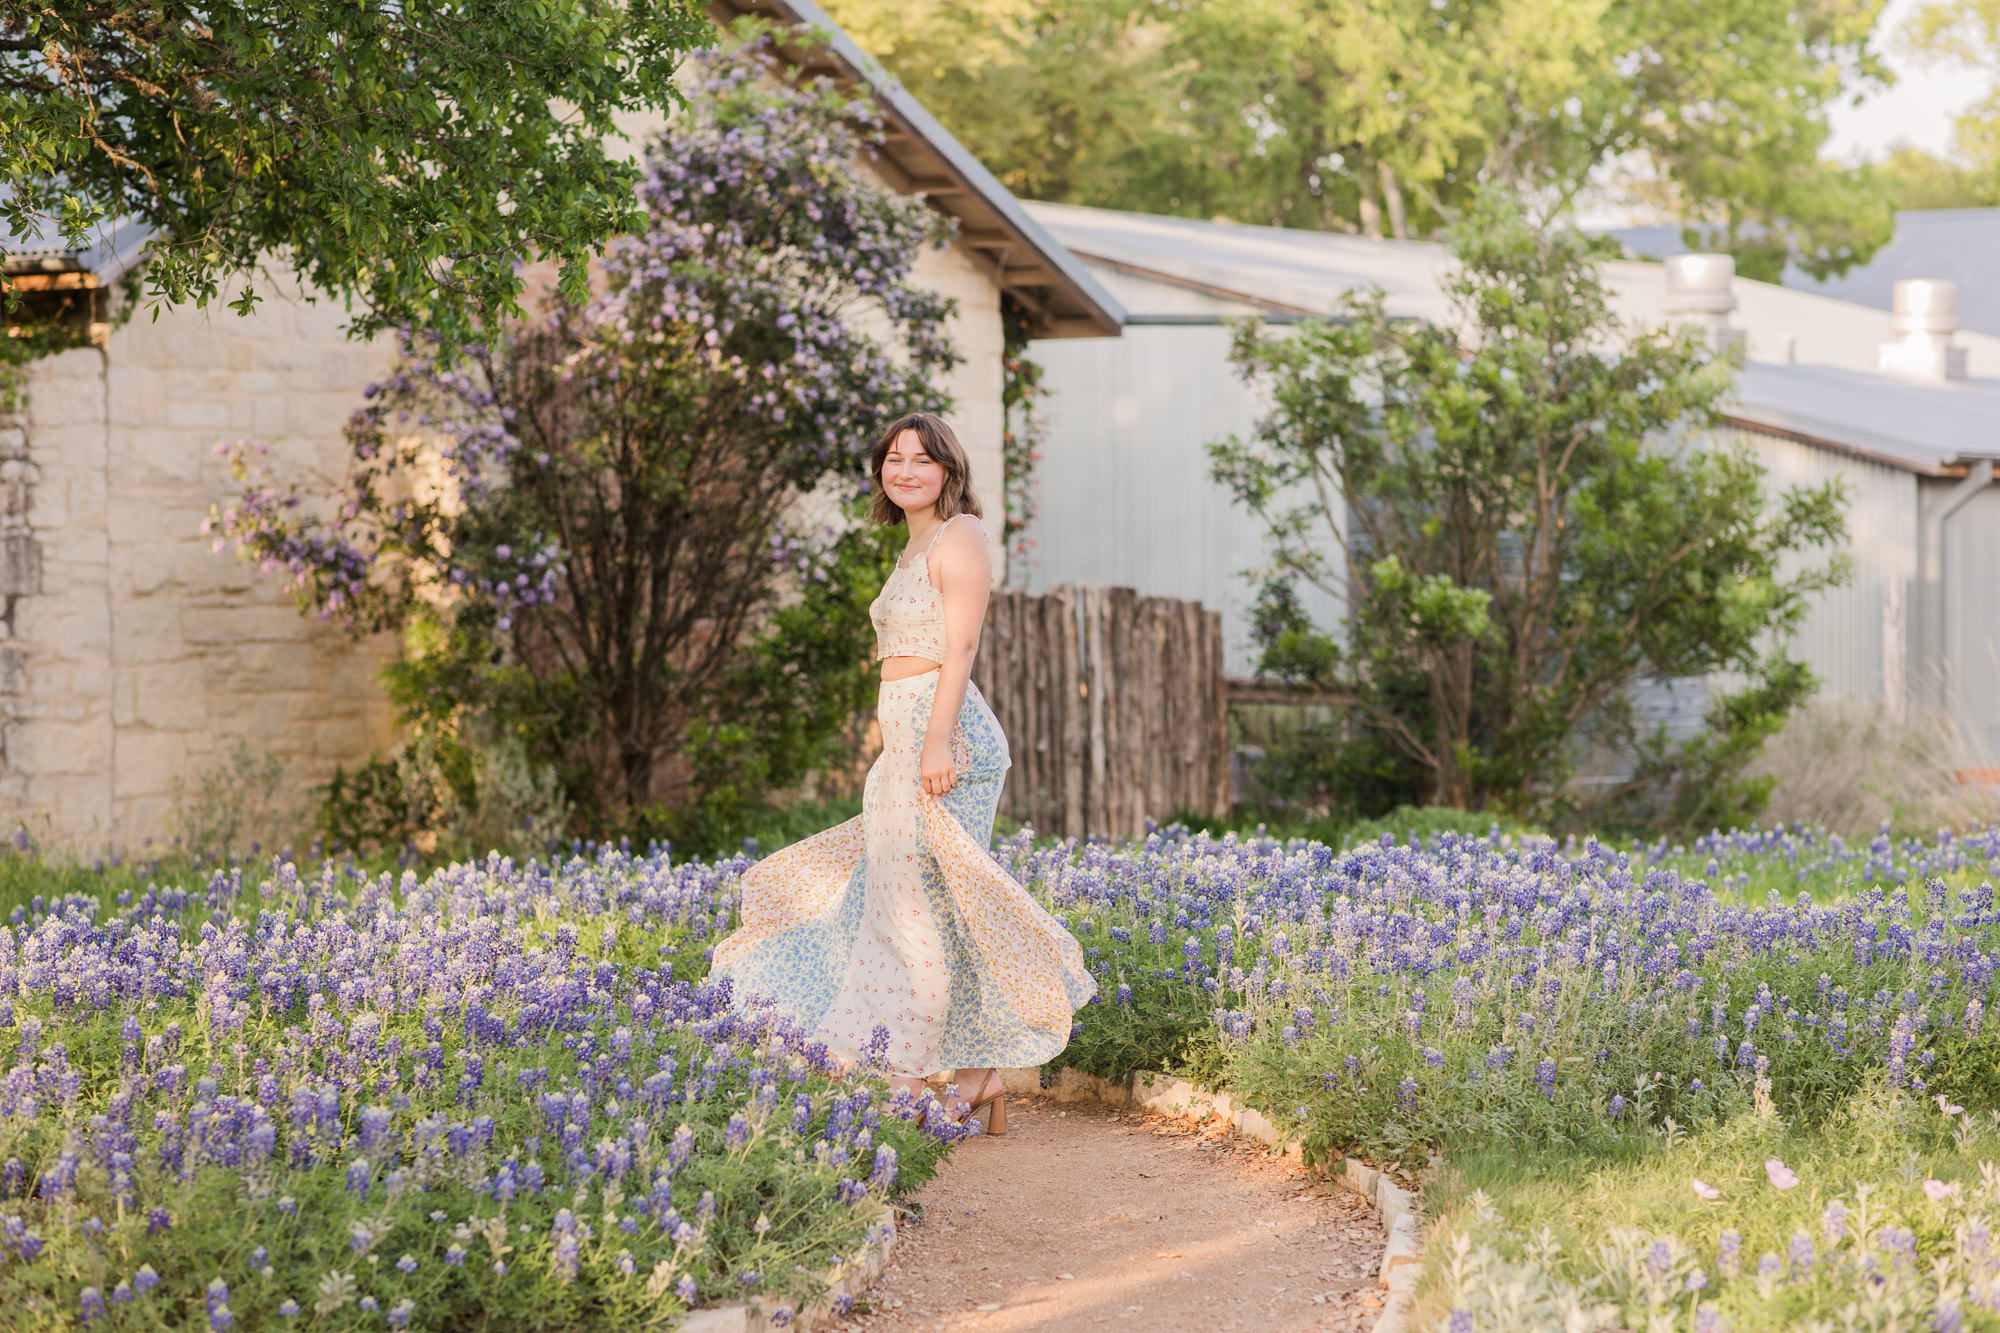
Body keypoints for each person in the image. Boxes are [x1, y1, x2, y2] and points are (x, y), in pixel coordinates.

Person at [712, 412, 1095, 1134]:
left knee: (914, 915)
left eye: (922, 459)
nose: (907, 470)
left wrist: (937, 739)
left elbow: (964, 641)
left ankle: (910, 1080)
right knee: (906, 908)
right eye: (894, 459)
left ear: (948, 470)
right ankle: (973, 1076)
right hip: (909, 742)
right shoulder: (913, 542)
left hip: (945, 742)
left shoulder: (962, 534)